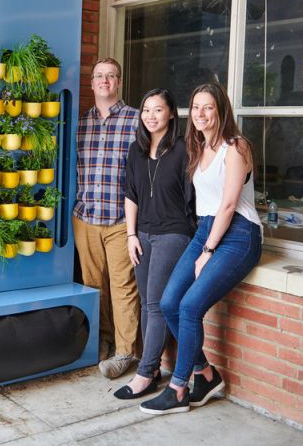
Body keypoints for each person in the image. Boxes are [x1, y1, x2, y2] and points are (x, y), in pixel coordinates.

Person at [140, 82, 262, 415]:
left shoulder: (236, 147)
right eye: (195, 107)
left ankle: (179, 389)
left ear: (221, 110)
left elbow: (228, 205)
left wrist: (206, 252)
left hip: (238, 233)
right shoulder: (198, 147)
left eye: (208, 107)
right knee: (168, 303)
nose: (200, 113)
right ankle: (205, 374)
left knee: (190, 306)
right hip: (206, 229)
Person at [115, 88, 194, 400]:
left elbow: (194, 195)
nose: (150, 115)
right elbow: (131, 194)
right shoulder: (136, 150)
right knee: (147, 302)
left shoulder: (183, 150)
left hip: (174, 233)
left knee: (156, 303)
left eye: (158, 110)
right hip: (142, 234)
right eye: (146, 109)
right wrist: (131, 235)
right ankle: (154, 368)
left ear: (171, 114)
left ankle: (145, 374)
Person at [72, 57, 141, 379]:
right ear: (91, 83)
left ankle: (125, 352)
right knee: (92, 286)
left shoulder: (136, 120)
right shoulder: (80, 122)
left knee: (123, 287)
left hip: (120, 221)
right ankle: (102, 342)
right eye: (99, 76)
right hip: (85, 217)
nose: (104, 81)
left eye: (111, 76)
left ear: (119, 82)